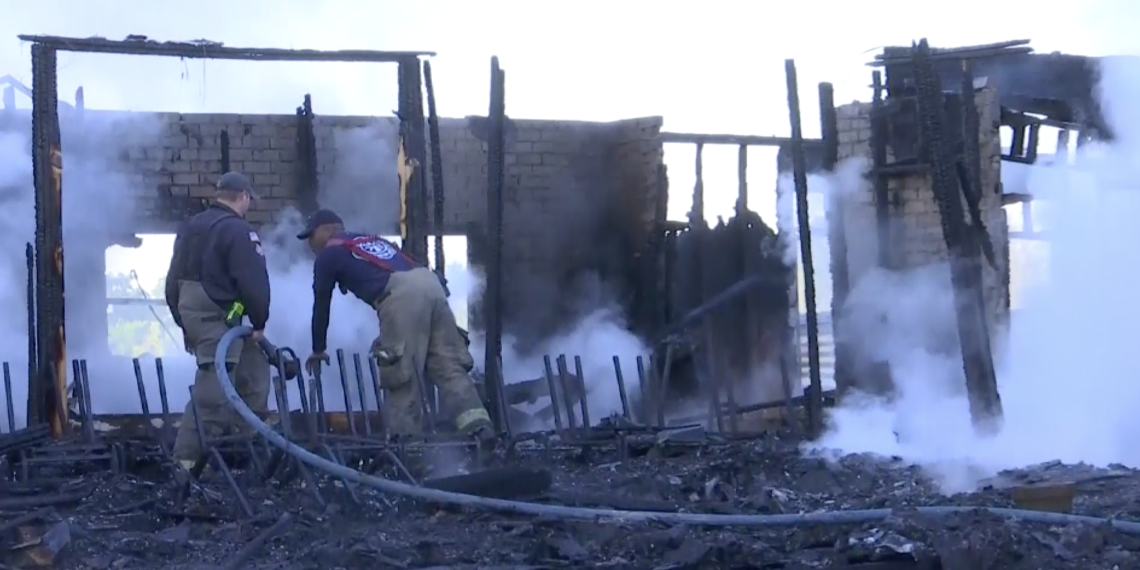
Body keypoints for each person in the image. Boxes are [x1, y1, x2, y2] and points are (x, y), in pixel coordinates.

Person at [297, 209, 493, 439]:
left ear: (326, 230)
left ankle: (407, 446)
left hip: (402, 295)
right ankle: (481, 431)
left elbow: (321, 305)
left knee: (400, 375)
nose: (310, 244)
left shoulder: (328, 254)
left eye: (310, 236)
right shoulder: (367, 241)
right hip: (431, 285)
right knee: (448, 366)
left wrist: (318, 349)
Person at [164, 171, 272, 469]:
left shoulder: (190, 227)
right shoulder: (239, 230)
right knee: (213, 394)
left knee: (254, 372)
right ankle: (185, 462)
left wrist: (183, 323)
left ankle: (241, 446)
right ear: (244, 197)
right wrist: (259, 323)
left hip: (200, 313)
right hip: (217, 316)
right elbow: (254, 282)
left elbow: (172, 281)